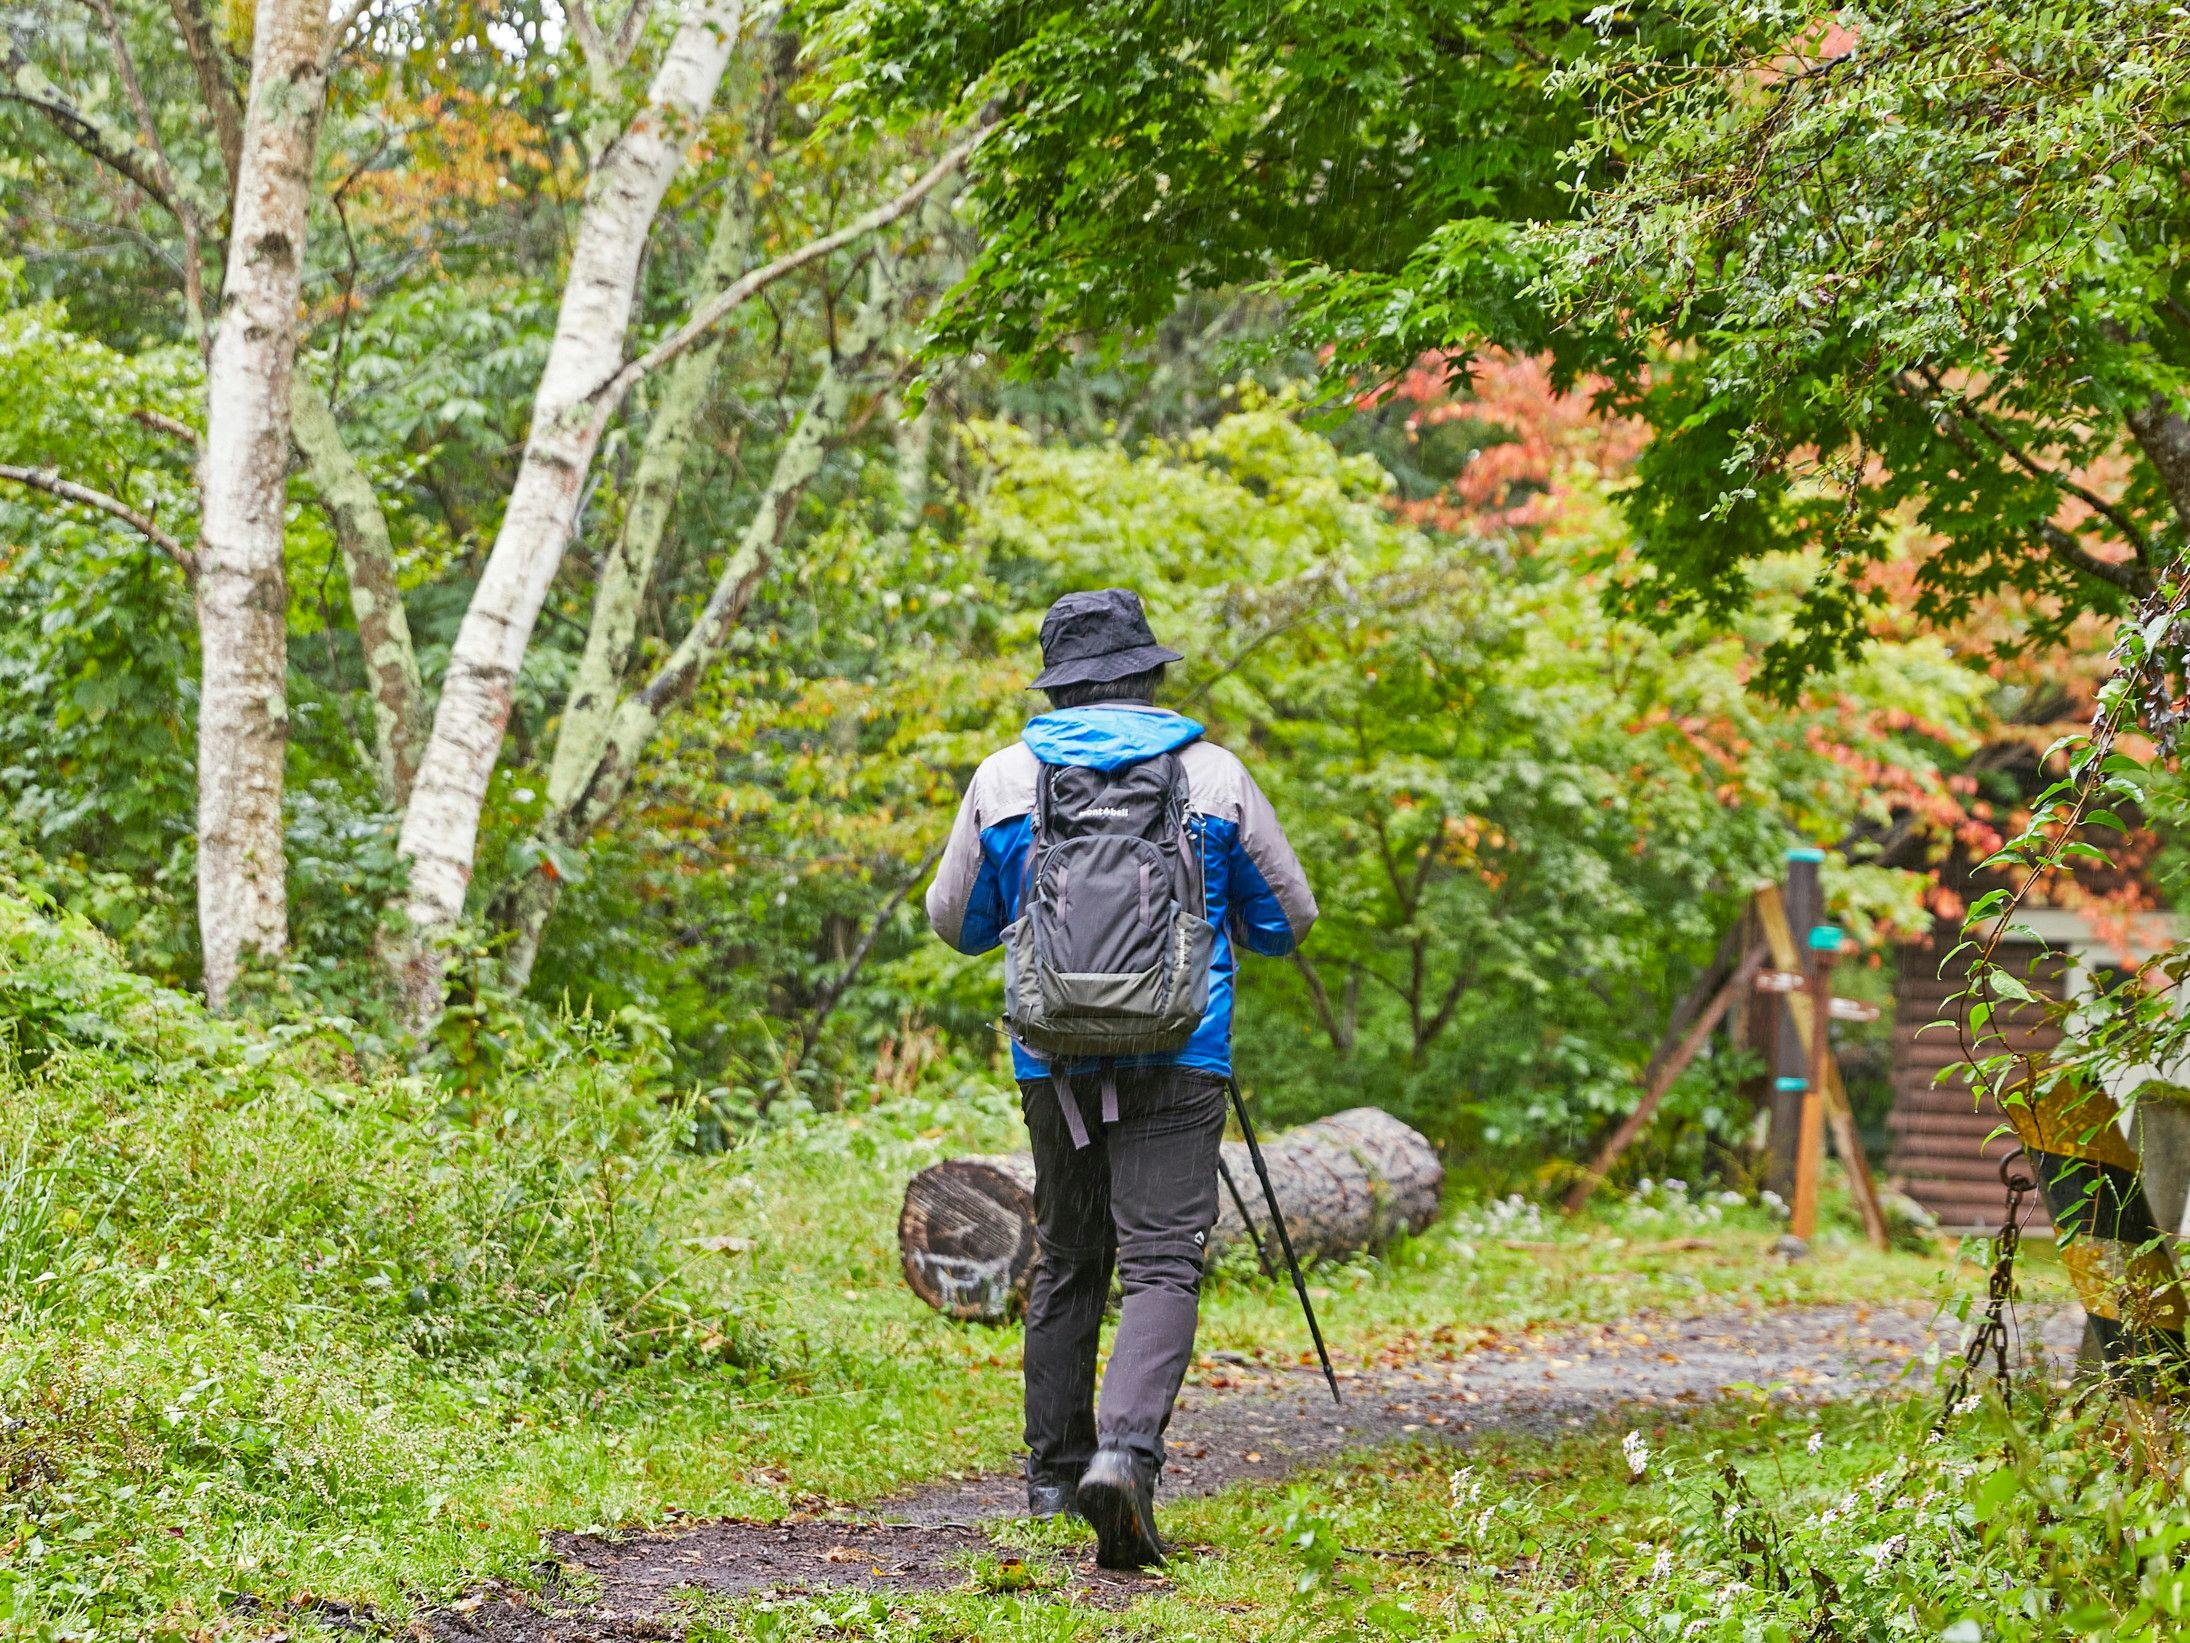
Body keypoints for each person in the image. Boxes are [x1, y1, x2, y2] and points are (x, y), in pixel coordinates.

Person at [925, 588, 1317, 1568]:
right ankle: (1125, 1456)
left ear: (1057, 682)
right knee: (1162, 1259)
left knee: (1066, 1252)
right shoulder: (1213, 773)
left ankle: (1054, 1472)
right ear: (1150, 673)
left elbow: (955, 921)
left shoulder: (1007, 775)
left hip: (1051, 1053)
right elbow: (1288, 917)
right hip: (1183, 1048)